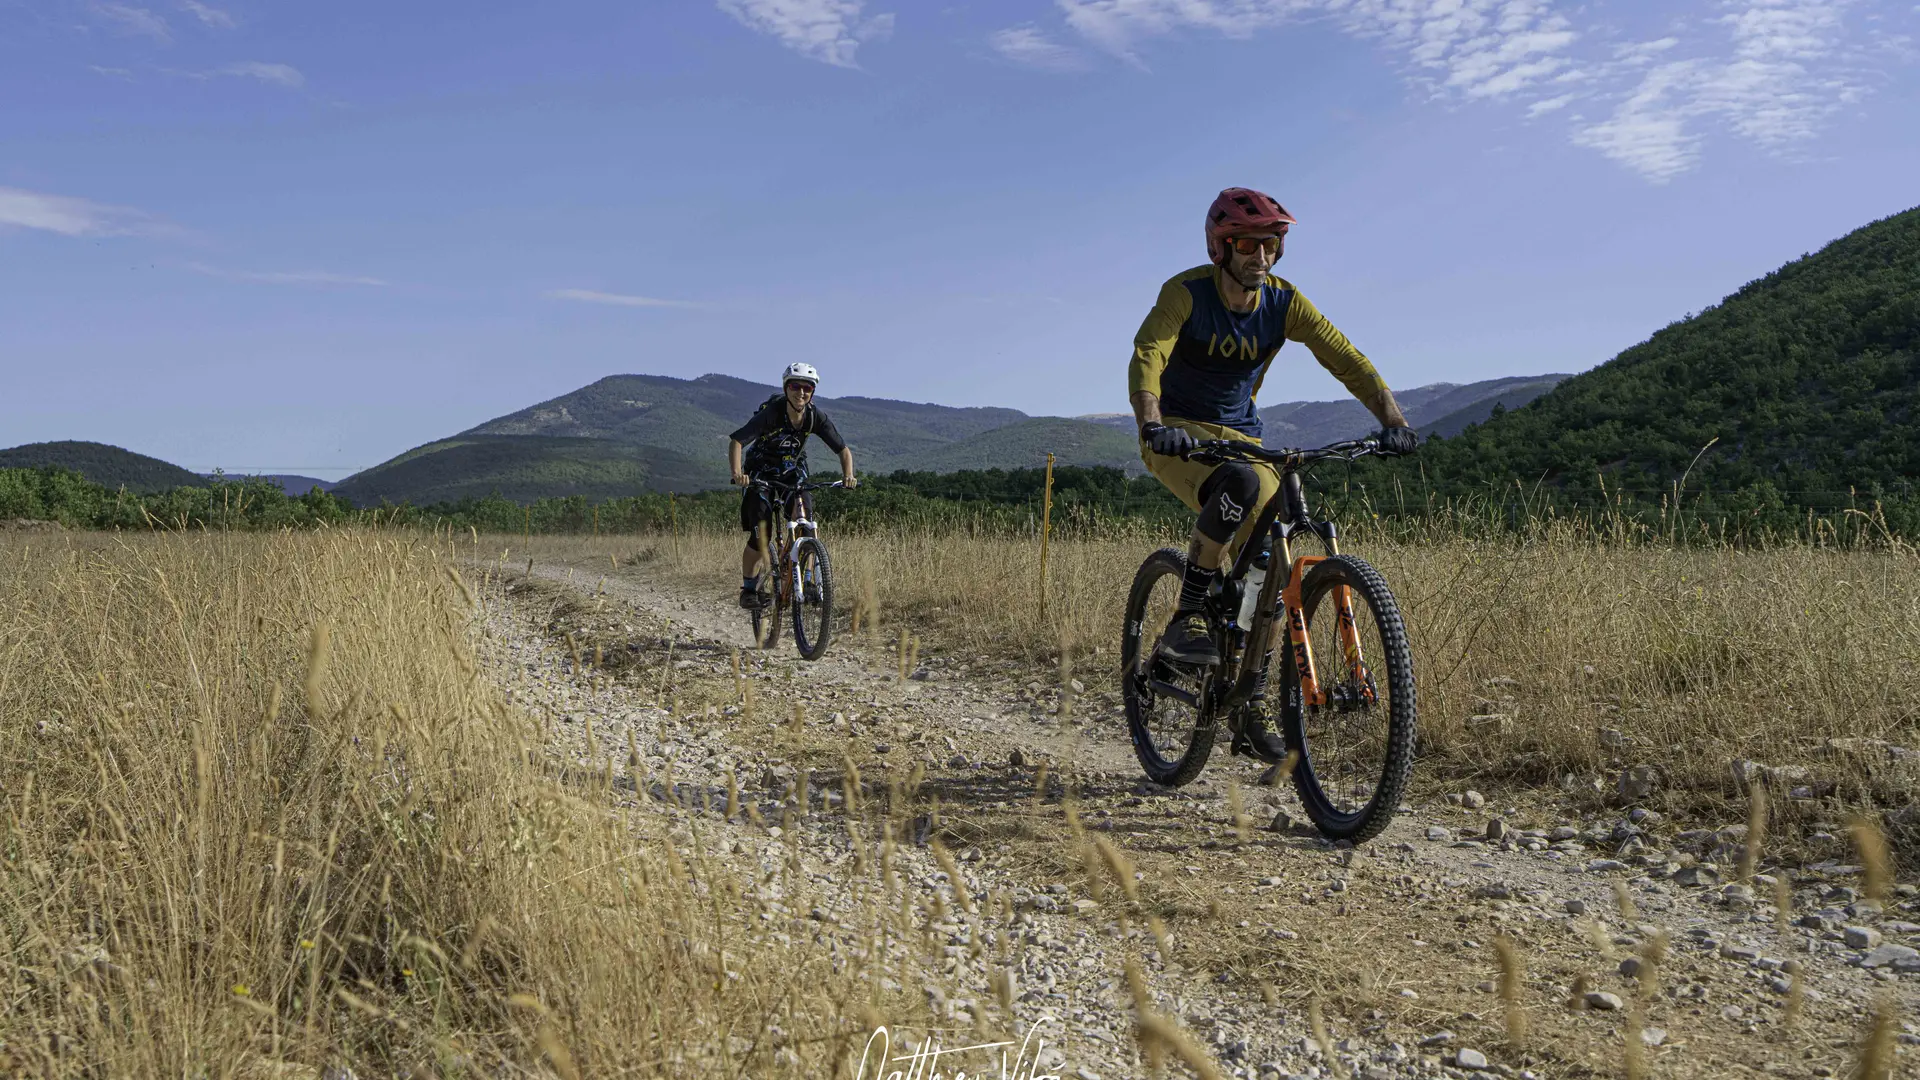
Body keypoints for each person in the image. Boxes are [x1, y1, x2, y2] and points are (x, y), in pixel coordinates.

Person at [1129, 187, 1418, 759]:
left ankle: (1252, 699)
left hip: (1241, 437)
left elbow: (1346, 358)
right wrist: (1153, 423)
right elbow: (1148, 354)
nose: (1260, 256)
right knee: (1239, 484)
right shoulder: (1185, 293)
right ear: (1221, 247)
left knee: (1270, 558)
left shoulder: (1284, 302)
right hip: (1177, 432)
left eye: (1271, 244)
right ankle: (1188, 616)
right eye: (1247, 245)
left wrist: (1394, 421)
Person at [729, 363, 858, 608]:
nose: (801, 392)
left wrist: (848, 475)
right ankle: (749, 589)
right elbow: (737, 441)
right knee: (760, 534)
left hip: (792, 471)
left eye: (807, 388)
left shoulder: (814, 417)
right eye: (795, 386)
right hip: (760, 471)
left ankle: (807, 581)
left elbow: (843, 450)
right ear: (786, 388)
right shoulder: (772, 413)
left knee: (805, 522)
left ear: (812, 392)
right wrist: (738, 474)